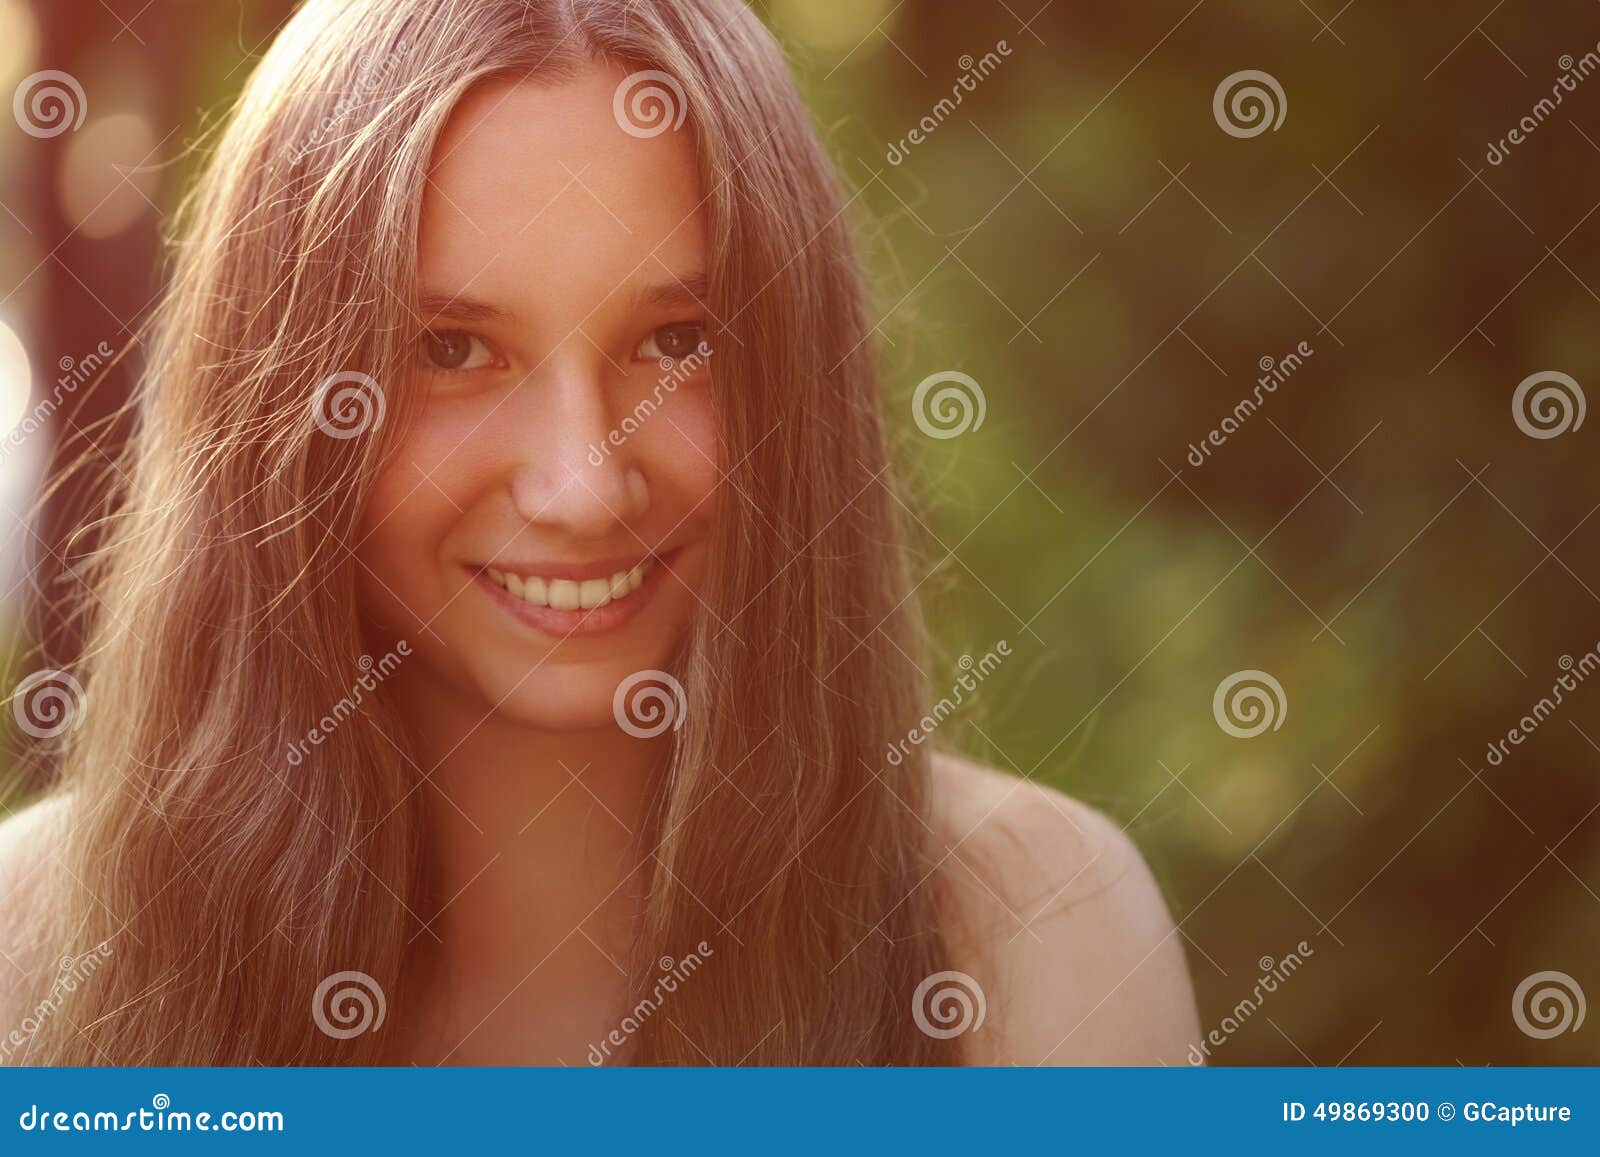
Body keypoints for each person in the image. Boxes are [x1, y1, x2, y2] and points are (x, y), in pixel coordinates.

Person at [0, 0, 1198, 1066]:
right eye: (452, 349)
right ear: (276, 407)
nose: (583, 484)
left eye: (677, 341)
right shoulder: (29, 940)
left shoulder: (1037, 927)